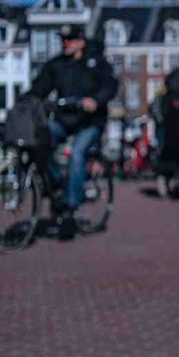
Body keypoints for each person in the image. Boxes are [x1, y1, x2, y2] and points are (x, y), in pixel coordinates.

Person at [28, 24, 118, 240]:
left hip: (90, 122)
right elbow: (39, 88)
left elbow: (110, 85)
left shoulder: (95, 63)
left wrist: (96, 101)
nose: (66, 43)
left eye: (70, 40)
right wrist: (28, 101)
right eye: (63, 40)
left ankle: (70, 208)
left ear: (81, 41)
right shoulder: (57, 65)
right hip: (64, 120)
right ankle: (57, 183)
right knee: (39, 139)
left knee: (77, 153)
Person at [155, 69, 179, 198]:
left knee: (165, 157)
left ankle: (163, 183)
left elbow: (158, 112)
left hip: (166, 131)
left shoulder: (163, 94)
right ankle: (176, 184)